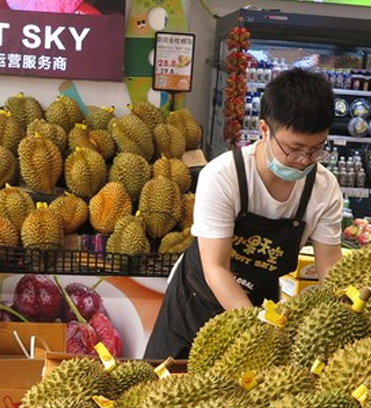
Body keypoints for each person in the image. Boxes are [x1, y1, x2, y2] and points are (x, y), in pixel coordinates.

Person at [144, 68, 344, 360]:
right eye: (294, 149)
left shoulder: (324, 188)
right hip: (197, 303)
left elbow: (332, 268)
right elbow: (217, 268)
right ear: (264, 130)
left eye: (316, 150)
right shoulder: (224, 176)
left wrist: (344, 315)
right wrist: (259, 330)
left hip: (261, 301)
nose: (303, 162)